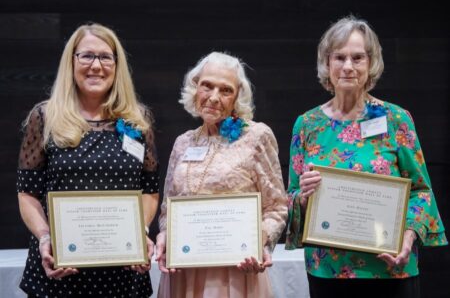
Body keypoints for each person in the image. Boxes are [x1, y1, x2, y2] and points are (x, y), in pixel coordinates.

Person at [285, 16, 447, 298]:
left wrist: (407, 238)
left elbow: (421, 192)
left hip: (391, 268)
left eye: (357, 57)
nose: (348, 66)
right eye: (340, 57)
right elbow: (291, 196)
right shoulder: (307, 125)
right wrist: (302, 196)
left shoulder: (396, 118)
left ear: (371, 63)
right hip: (329, 271)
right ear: (327, 62)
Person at [16, 23, 159, 297]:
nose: (96, 65)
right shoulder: (44, 117)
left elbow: (150, 191)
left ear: (117, 65)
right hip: (59, 267)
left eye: (106, 57)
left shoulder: (138, 120)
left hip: (122, 273)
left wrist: (139, 232)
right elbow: (27, 194)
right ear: (72, 61)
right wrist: (46, 238)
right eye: (87, 56)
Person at [155, 51, 288, 298]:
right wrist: (164, 234)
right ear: (195, 89)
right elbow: (167, 210)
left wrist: (259, 241)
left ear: (237, 97)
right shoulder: (182, 143)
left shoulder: (257, 137)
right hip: (183, 272)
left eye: (225, 90)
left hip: (235, 274)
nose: (214, 98)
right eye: (207, 86)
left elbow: (277, 207)